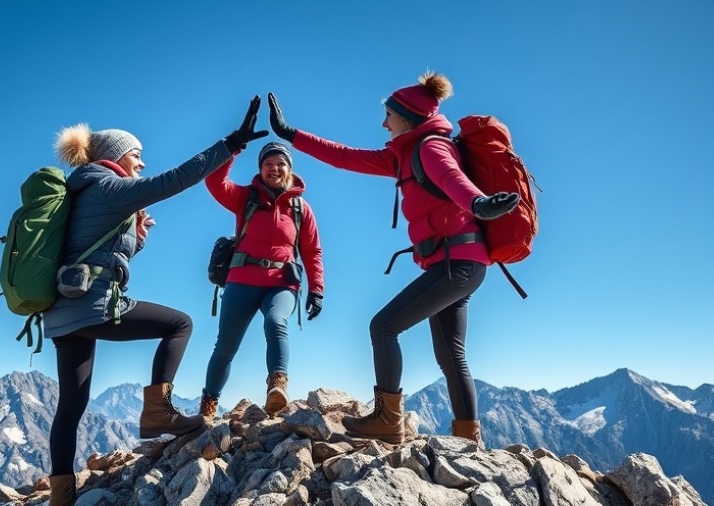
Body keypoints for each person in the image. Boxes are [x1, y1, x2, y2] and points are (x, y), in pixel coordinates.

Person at [267, 72, 519, 446]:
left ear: (409, 118)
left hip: (458, 262)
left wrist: (478, 203)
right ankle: (469, 438)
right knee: (451, 353)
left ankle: (388, 421)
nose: (384, 122)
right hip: (459, 263)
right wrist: (290, 134)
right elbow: (344, 157)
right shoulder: (402, 157)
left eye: (389, 115)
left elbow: (452, 180)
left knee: (383, 326)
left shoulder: (430, 148)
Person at [43, 97, 267, 505]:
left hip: (63, 312)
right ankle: (159, 411)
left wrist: (137, 240)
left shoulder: (84, 191)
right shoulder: (110, 186)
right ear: (117, 157)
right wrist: (231, 144)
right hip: (93, 305)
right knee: (179, 324)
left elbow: (96, 254)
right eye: (137, 156)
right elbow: (177, 179)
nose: (142, 164)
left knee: (71, 405)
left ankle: (61, 494)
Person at [198, 141, 325, 420]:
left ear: (289, 169)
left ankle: (277, 387)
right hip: (242, 280)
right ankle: (208, 406)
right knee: (225, 347)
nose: (274, 168)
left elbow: (312, 251)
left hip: (282, 282)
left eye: (280, 164)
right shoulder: (245, 198)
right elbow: (215, 182)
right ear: (260, 169)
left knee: (276, 321)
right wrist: (233, 147)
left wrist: (316, 289)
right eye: (268, 164)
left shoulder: (301, 209)